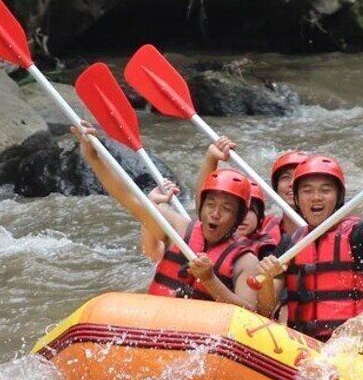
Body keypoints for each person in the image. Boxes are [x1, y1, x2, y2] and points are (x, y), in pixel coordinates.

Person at [72, 121, 259, 310]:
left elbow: (251, 312)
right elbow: (128, 197)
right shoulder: (178, 228)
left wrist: (209, 280)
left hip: (204, 333)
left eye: (226, 209)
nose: (216, 214)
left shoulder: (246, 261)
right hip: (157, 321)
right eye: (210, 205)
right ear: (201, 207)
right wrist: (94, 157)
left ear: (237, 217)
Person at [255, 150, 363, 341]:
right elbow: (265, 310)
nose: (316, 197)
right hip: (304, 347)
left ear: (338, 197)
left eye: (325, 190)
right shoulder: (289, 244)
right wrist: (266, 281)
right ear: (297, 199)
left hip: (354, 347)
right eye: (307, 190)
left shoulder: (360, 234)